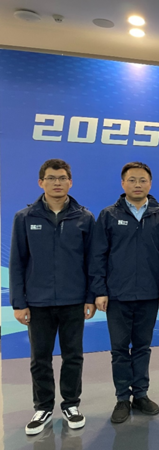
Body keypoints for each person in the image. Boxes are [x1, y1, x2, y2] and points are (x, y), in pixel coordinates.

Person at [9, 159, 96, 435]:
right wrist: (19, 303)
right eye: (51, 178)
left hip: (73, 301)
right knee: (40, 358)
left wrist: (90, 297)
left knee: (73, 356)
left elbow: (92, 262)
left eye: (62, 178)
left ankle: (71, 404)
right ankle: (43, 407)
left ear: (70, 182)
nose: (57, 183)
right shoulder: (25, 217)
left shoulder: (84, 218)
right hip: (38, 302)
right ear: (41, 182)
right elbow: (17, 262)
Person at [90, 162, 159, 423]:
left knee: (142, 347)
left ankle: (141, 394)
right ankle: (122, 399)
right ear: (123, 183)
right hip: (117, 295)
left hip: (149, 294)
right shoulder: (108, 215)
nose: (138, 185)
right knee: (119, 350)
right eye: (132, 180)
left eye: (142, 180)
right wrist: (99, 290)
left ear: (150, 183)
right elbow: (98, 255)